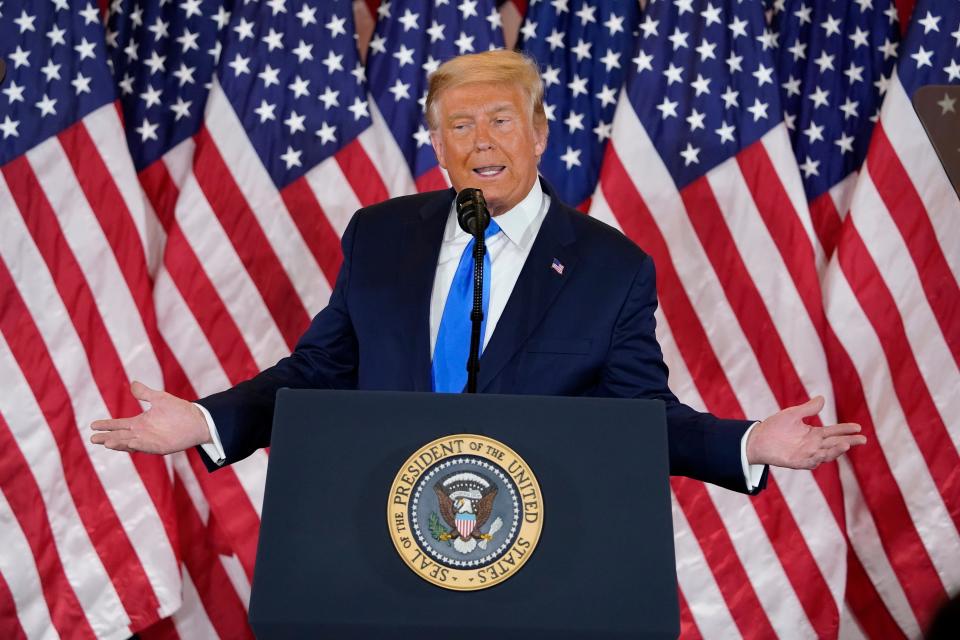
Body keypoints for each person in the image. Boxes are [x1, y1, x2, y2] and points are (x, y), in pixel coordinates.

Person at [91, 50, 865, 493]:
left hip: (535, 547)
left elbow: (638, 418)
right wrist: (205, 421)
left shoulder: (610, 267)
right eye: (458, 125)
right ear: (436, 143)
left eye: (499, 120)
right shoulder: (381, 236)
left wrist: (750, 442)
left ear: (537, 134)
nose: (479, 140)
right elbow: (321, 370)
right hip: (383, 532)